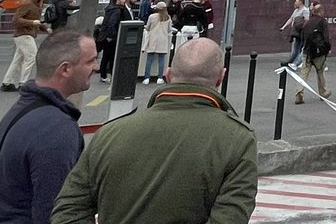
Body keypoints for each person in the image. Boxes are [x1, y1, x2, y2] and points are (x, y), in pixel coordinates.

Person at [52, 37, 257, 224]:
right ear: (221, 78)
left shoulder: (110, 133)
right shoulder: (237, 139)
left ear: (168, 75)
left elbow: (69, 210)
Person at [0, 31, 98, 224]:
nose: (96, 67)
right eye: (90, 61)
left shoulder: (22, 110)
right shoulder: (57, 130)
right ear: (65, 69)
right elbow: (54, 212)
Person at [2, 0, 50, 92]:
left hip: (25, 34)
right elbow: (16, 19)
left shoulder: (36, 4)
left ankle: (7, 82)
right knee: (31, 57)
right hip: (24, 34)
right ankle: (23, 83)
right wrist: (32, 23)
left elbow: (35, 20)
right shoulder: (27, 3)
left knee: (18, 60)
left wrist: (45, 29)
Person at [294, 2, 331, 104]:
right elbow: (326, 38)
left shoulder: (307, 22)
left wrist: (305, 47)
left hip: (307, 51)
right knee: (320, 72)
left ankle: (299, 93)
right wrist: (327, 49)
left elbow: (302, 37)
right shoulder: (322, 22)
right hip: (318, 52)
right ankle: (323, 92)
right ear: (321, 12)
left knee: (304, 73)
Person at [142, 1, 172, 84]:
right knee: (161, 59)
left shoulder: (152, 16)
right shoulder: (168, 17)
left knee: (149, 59)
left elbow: (148, 28)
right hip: (163, 39)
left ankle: (146, 78)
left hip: (152, 39)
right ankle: (159, 78)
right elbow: (169, 29)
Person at [280, 0, 310, 68]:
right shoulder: (296, 10)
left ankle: (296, 63)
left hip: (301, 32)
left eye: (296, 2)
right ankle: (291, 61)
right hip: (296, 32)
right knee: (296, 47)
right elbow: (291, 19)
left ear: (301, 2)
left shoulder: (305, 10)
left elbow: (306, 20)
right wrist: (283, 27)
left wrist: (302, 28)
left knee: (300, 48)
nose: (295, 3)